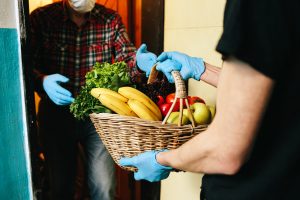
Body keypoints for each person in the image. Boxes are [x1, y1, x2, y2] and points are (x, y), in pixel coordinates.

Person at [120, 0, 300, 199]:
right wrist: (202, 69)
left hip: (252, 189)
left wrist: (161, 159)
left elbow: (225, 152)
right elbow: (280, 91)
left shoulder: (260, 5)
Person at [29, 0, 158, 199]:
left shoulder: (110, 20)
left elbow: (127, 56)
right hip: (56, 116)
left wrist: (138, 62)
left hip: (99, 116)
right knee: (59, 188)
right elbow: (23, 64)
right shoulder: (42, 19)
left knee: (104, 187)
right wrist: (42, 80)